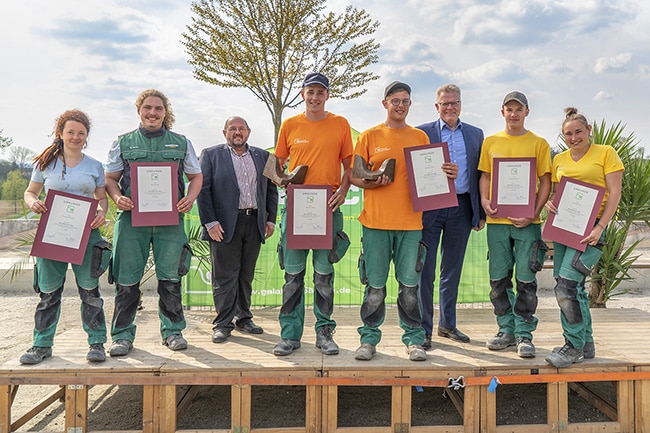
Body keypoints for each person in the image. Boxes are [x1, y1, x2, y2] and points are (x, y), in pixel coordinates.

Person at [352, 81, 453, 362]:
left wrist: (447, 173)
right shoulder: (369, 136)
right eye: (395, 100)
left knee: (410, 287)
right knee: (374, 287)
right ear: (385, 103)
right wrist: (373, 183)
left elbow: (431, 176)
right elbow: (354, 176)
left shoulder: (420, 137)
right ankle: (368, 339)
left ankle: (413, 339)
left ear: (410, 105)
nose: (400, 105)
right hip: (375, 223)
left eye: (405, 101)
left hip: (411, 224)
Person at [104, 89, 203, 356]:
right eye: (147, 107)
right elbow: (110, 178)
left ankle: (172, 331)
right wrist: (117, 197)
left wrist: (190, 199)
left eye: (158, 109)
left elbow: (196, 177)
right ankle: (122, 336)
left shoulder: (181, 143)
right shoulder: (123, 142)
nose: (152, 113)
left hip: (170, 221)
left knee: (170, 277)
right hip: (131, 220)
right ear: (139, 110)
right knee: (126, 280)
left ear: (165, 113)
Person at [272, 72, 353, 356]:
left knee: (323, 275)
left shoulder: (340, 124)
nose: (315, 97)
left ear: (327, 95)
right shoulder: (290, 125)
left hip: (328, 208)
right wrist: (283, 180)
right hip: (296, 209)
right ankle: (289, 336)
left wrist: (343, 190)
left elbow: (350, 167)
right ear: (303, 93)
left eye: (320, 92)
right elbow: (277, 167)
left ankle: (324, 333)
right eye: (310, 91)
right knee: (293, 276)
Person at [20, 109, 109, 364]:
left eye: (81, 133)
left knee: (90, 291)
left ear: (86, 137)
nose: (76, 137)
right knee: (49, 293)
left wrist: (101, 211)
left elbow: (101, 198)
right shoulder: (45, 164)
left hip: (88, 235)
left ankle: (96, 343)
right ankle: (41, 345)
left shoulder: (94, 166)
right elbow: (30, 192)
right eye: (71, 132)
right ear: (61, 133)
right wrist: (33, 202)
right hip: (53, 234)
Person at [544, 108, 623, 368]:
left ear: (589, 130)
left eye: (578, 131)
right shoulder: (560, 159)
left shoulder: (606, 153)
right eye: (568, 134)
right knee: (570, 287)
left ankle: (573, 346)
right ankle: (586, 343)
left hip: (591, 231)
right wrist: (550, 205)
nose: (574, 137)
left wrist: (600, 227)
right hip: (565, 229)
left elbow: (614, 194)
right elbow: (557, 195)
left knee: (566, 287)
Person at [478, 91, 551, 358]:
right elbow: (485, 175)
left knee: (526, 280)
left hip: (527, 224)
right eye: (509, 109)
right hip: (497, 221)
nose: (513, 113)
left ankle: (524, 334)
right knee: (498, 280)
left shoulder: (539, 143)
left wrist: (534, 213)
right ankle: (505, 330)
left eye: (518, 109)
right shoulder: (491, 142)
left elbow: (546, 181)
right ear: (502, 112)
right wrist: (485, 200)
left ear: (526, 112)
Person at [196, 116, 278, 343]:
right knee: (225, 276)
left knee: (245, 275)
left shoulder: (263, 156)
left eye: (241, 129)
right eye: (232, 129)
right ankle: (223, 323)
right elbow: (203, 191)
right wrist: (210, 222)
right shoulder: (211, 155)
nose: (237, 132)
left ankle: (244, 319)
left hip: (254, 223)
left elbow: (271, 190)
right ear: (225, 133)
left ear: (249, 132)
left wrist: (270, 219)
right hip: (223, 225)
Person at [416, 83, 485, 350]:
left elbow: (480, 174)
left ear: (461, 105)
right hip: (431, 208)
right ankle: (423, 330)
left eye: (454, 103)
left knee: (452, 270)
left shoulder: (476, 134)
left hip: (463, 206)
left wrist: (479, 213)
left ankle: (447, 324)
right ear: (437, 107)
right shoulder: (422, 132)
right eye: (445, 103)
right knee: (425, 271)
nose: (450, 107)